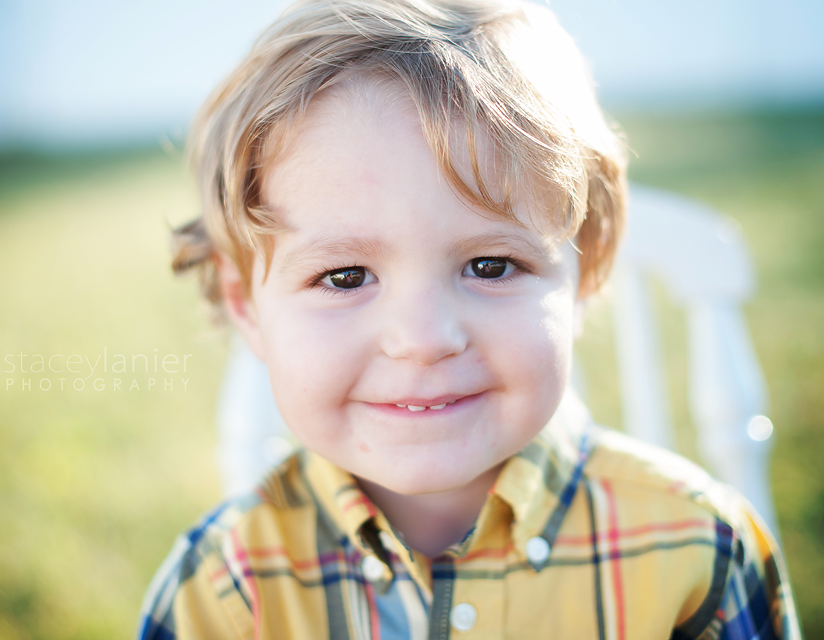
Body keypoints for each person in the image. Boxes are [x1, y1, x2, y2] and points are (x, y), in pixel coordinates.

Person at [139, 0, 801, 637]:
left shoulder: (697, 553)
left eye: (489, 266)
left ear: (588, 267)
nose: (424, 340)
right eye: (344, 277)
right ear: (245, 305)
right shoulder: (223, 594)